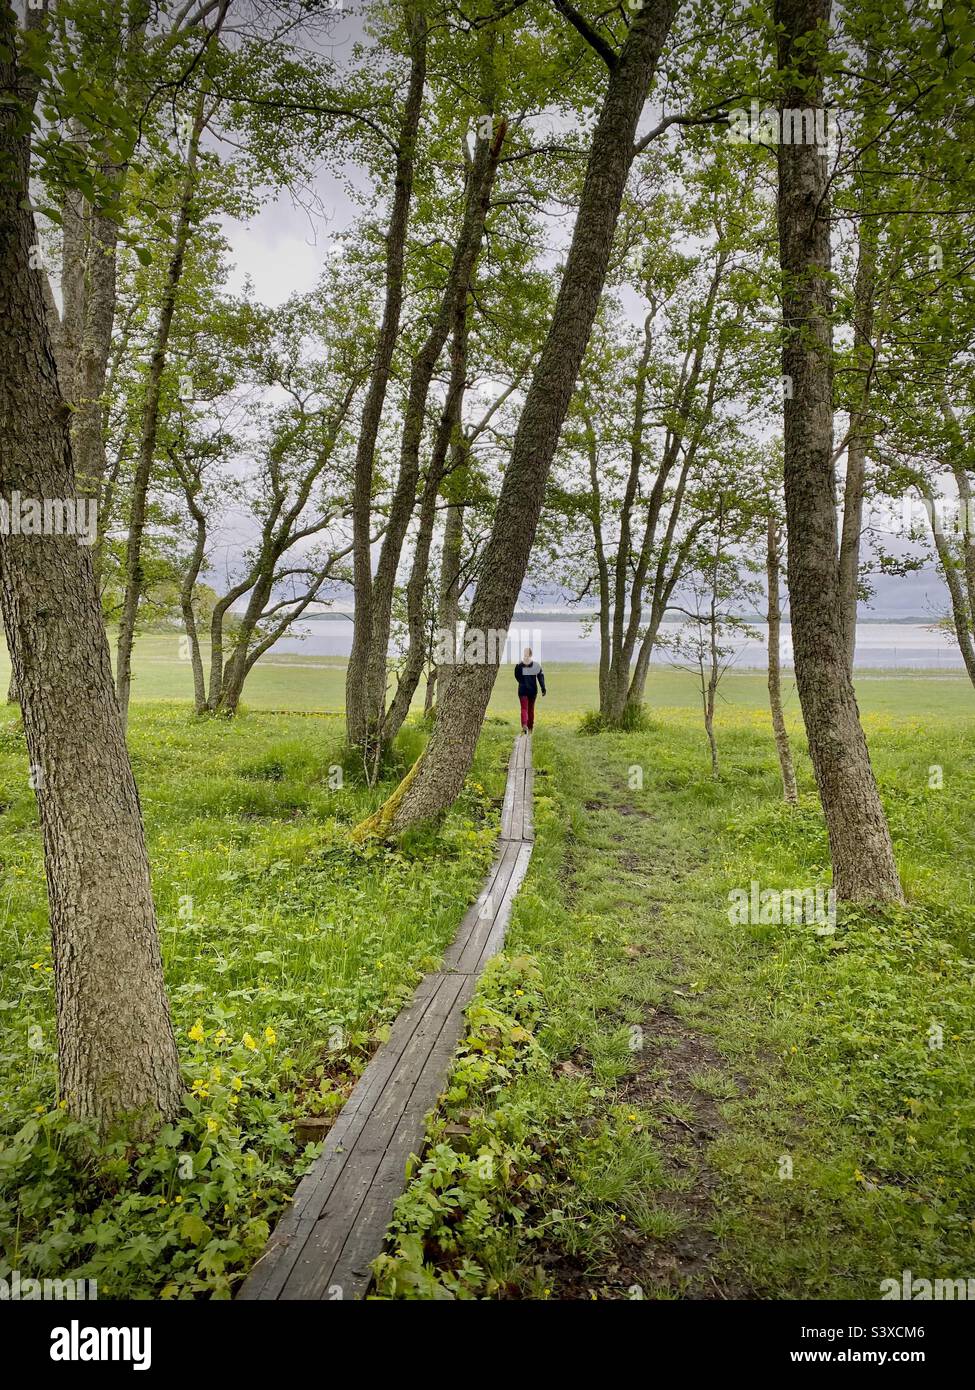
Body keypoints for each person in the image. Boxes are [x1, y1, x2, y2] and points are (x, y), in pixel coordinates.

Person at [514, 646, 546, 734]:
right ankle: (530, 727)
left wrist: (522, 682)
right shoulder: (536, 665)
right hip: (532, 690)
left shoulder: (519, 665)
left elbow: (517, 676)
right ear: (531, 654)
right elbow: (540, 677)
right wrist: (543, 688)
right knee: (531, 709)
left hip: (522, 690)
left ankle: (524, 725)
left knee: (524, 708)